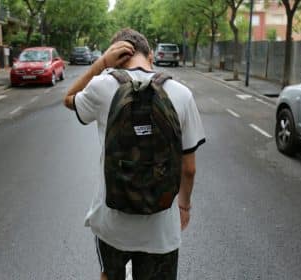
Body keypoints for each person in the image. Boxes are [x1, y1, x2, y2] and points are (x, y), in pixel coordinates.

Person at [63, 28, 205, 280]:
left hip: (112, 223)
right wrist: (184, 206)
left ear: (115, 54)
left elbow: (68, 98)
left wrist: (101, 64)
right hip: (161, 230)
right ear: (150, 55)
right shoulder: (182, 94)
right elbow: (189, 168)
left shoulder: (102, 86)